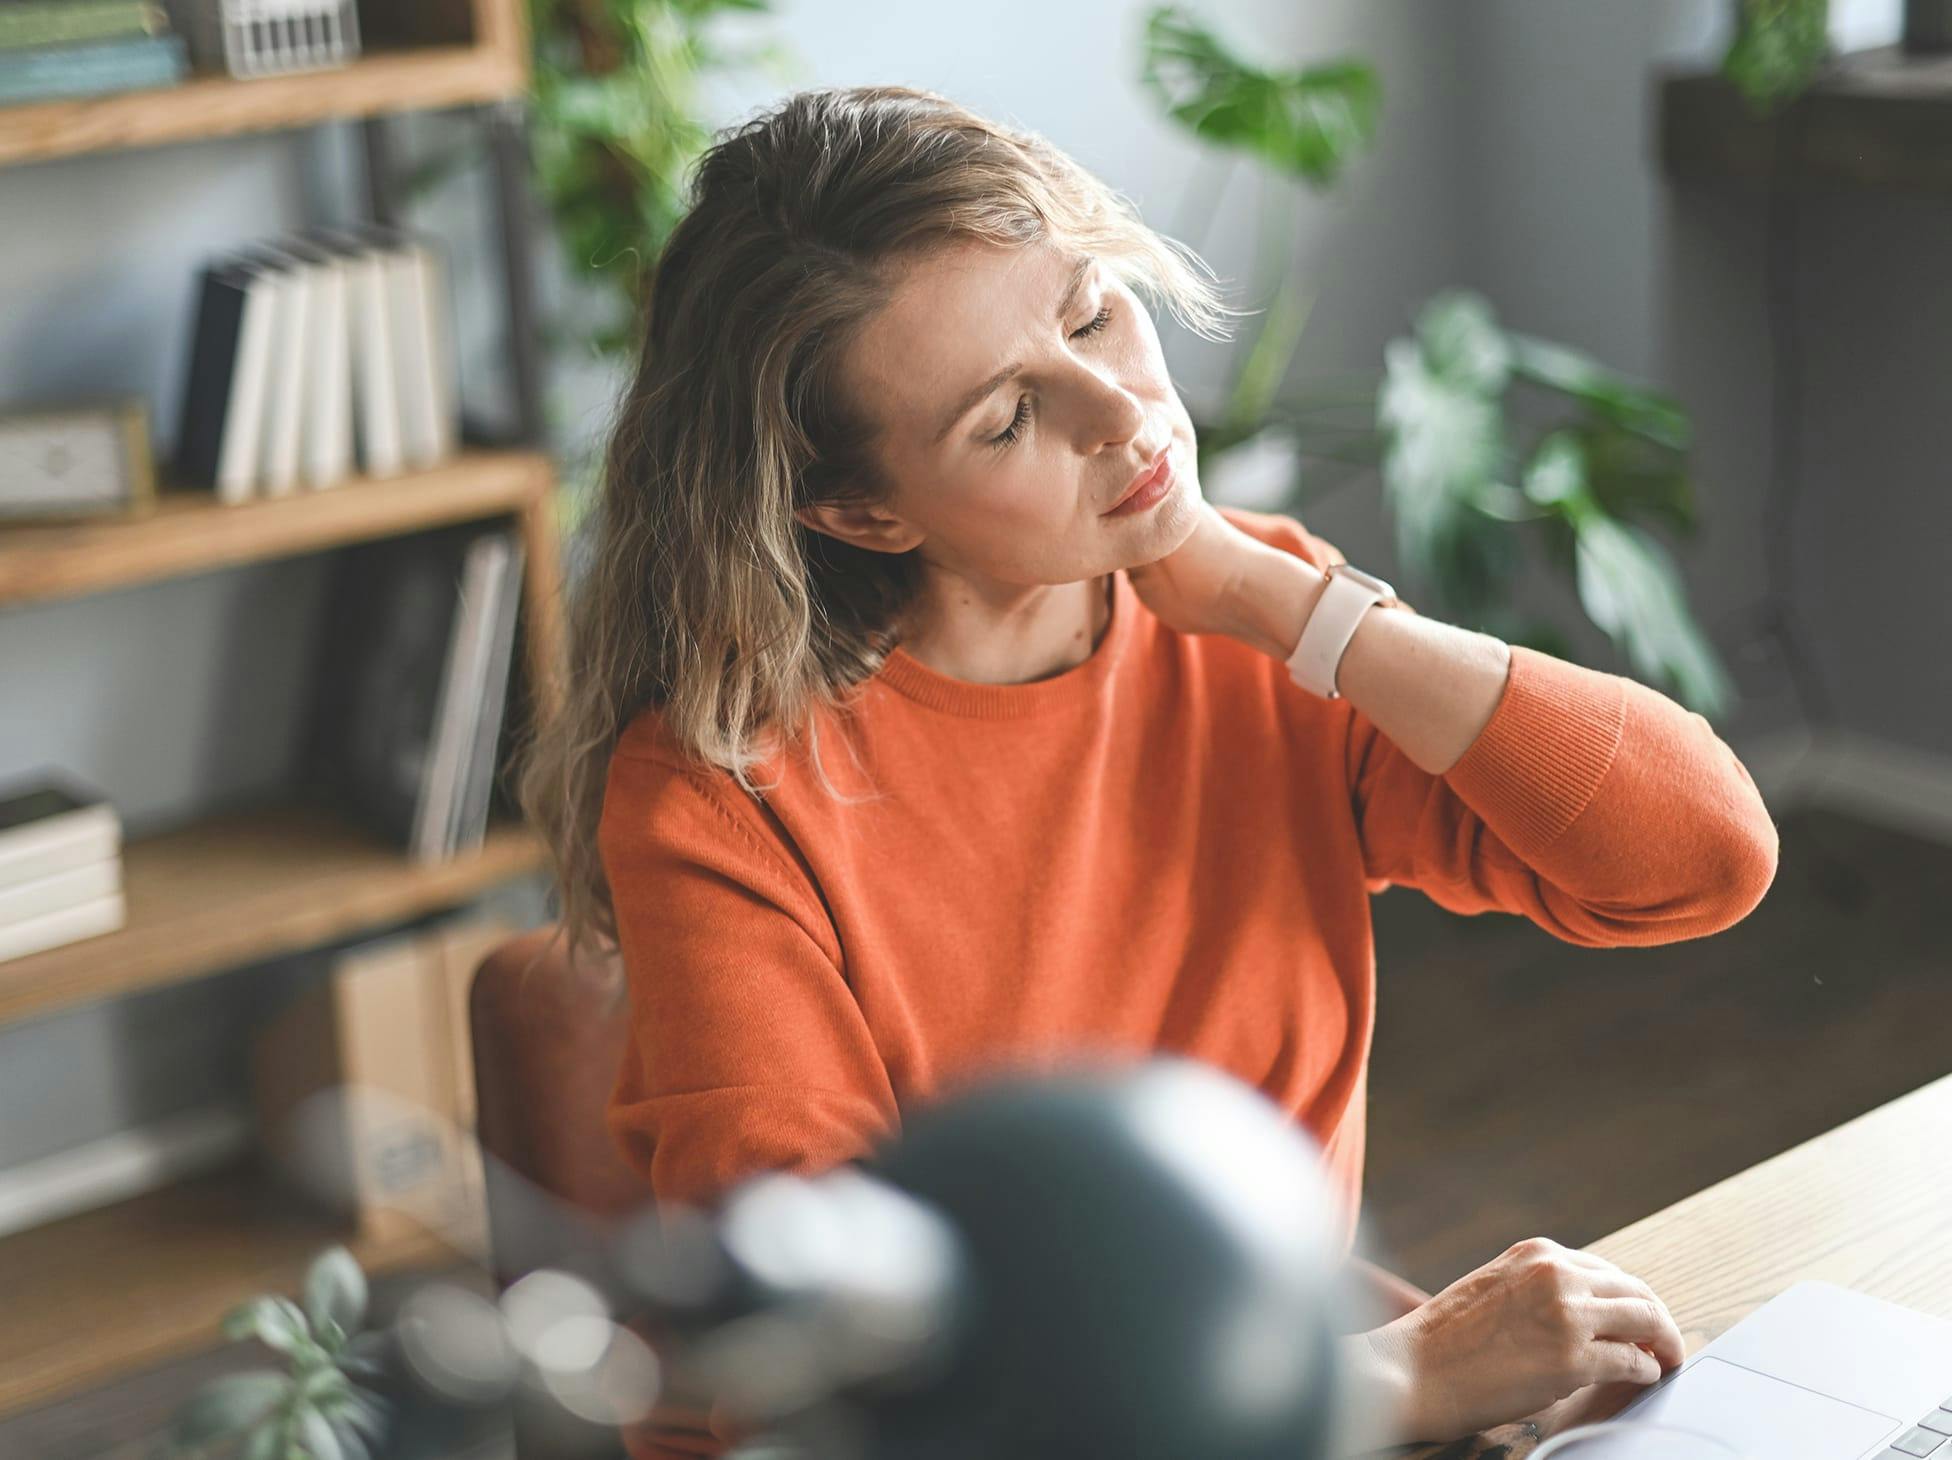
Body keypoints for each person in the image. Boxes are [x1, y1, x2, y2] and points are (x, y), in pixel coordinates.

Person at [515, 84, 1779, 1459]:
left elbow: (1702, 861)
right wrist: (1394, 1381)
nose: (1121, 414)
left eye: (1091, 310)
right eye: (1007, 419)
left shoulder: (1261, 634)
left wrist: (1286, 602)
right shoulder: (720, 791)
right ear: (863, 513)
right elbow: (854, 1376)